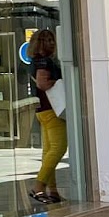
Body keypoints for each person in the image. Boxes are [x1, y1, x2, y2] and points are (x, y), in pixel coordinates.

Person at [28, 29, 67, 204]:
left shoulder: (34, 61)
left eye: (52, 39)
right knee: (59, 148)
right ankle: (39, 186)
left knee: (49, 150)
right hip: (52, 109)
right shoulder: (44, 61)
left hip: (42, 110)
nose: (51, 42)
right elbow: (43, 84)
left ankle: (53, 191)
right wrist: (58, 82)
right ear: (40, 43)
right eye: (47, 40)